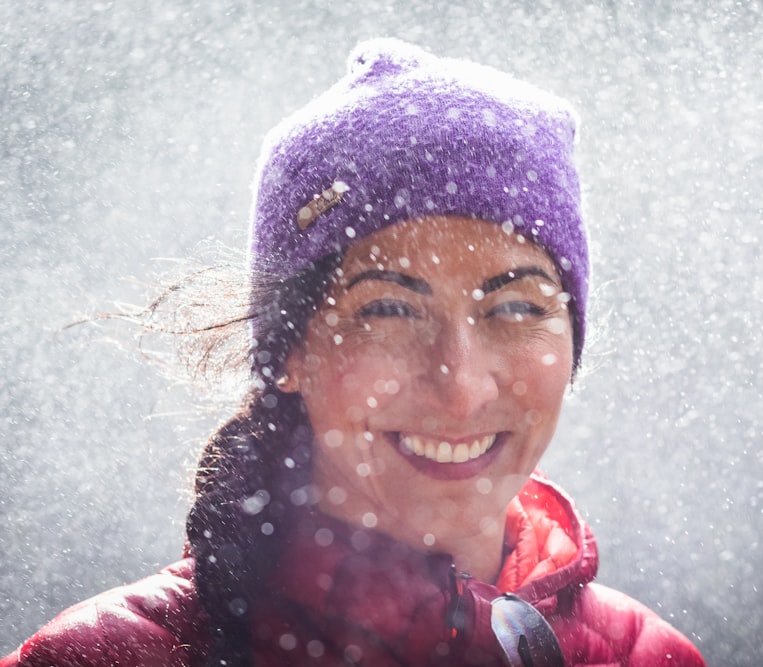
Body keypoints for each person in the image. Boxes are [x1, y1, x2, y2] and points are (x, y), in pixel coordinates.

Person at [2, 39, 705, 667]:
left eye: (517, 306)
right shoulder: (112, 659)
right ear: (288, 352)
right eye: (389, 310)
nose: (460, 385)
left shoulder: (648, 657)